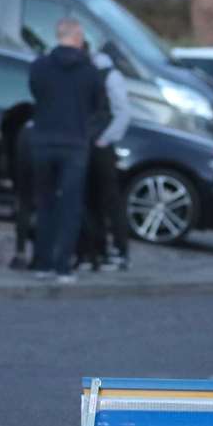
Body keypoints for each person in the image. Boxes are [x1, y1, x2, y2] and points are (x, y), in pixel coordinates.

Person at [27, 17, 106, 283]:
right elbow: (98, 106)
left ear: (58, 35)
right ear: (78, 37)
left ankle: (42, 262)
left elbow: (36, 93)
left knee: (44, 203)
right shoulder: (90, 71)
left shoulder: (40, 67)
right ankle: (63, 266)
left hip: (43, 141)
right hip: (74, 144)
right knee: (70, 207)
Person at [88, 49, 133, 270]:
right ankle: (102, 250)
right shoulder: (104, 73)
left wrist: (104, 139)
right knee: (98, 200)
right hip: (96, 142)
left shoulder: (109, 75)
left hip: (100, 144)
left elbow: (123, 112)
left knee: (106, 199)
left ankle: (116, 250)